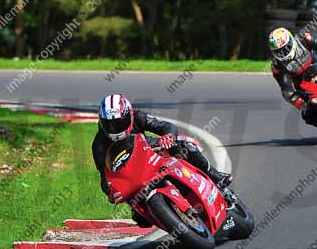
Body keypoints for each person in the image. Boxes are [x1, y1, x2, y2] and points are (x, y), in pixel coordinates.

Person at [92, 94, 232, 221]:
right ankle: (165, 217)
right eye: (109, 124)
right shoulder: (98, 145)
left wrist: (168, 136)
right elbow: (105, 178)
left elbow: (165, 126)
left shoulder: (139, 117)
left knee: (183, 145)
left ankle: (215, 176)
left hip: (150, 150)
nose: (115, 128)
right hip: (132, 174)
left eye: (119, 123)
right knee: (141, 219)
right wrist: (110, 192)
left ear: (130, 115)